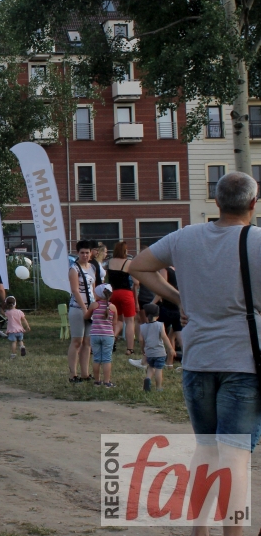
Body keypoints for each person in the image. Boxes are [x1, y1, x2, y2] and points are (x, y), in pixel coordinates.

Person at [130, 170, 259, 531]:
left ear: (216, 202)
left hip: (198, 361)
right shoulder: (258, 241)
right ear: (253, 203)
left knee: (207, 451)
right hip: (244, 363)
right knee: (235, 458)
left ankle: (198, 529)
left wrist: (178, 297)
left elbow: (139, 266)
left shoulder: (185, 237)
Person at [67, 240, 103, 383]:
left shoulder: (92, 268)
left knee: (88, 341)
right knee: (77, 340)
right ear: (78, 253)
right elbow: (75, 290)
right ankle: (73, 374)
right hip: (77, 307)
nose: (85, 255)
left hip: (90, 307)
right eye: (82, 253)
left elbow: (93, 289)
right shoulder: (74, 269)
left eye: (87, 253)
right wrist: (84, 308)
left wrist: (96, 305)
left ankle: (85, 373)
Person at [105, 241, 138, 356]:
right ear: (124, 251)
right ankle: (130, 349)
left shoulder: (109, 262)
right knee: (129, 321)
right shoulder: (128, 262)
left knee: (118, 319)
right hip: (126, 293)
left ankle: (112, 337)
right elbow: (136, 282)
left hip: (113, 293)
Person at [138, 303, 174, 392]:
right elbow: (164, 337)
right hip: (159, 352)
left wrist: (143, 349)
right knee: (158, 369)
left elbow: (141, 340)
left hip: (149, 353)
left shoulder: (142, 327)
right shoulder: (160, 325)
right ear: (157, 316)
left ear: (146, 315)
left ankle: (148, 378)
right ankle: (158, 387)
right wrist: (170, 348)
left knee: (151, 367)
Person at [89, 284, 117, 388]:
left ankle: (97, 381)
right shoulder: (113, 307)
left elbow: (86, 316)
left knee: (96, 358)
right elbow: (115, 323)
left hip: (95, 335)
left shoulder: (94, 305)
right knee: (107, 359)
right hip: (108, 335)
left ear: (98, 295)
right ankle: (107, 382)